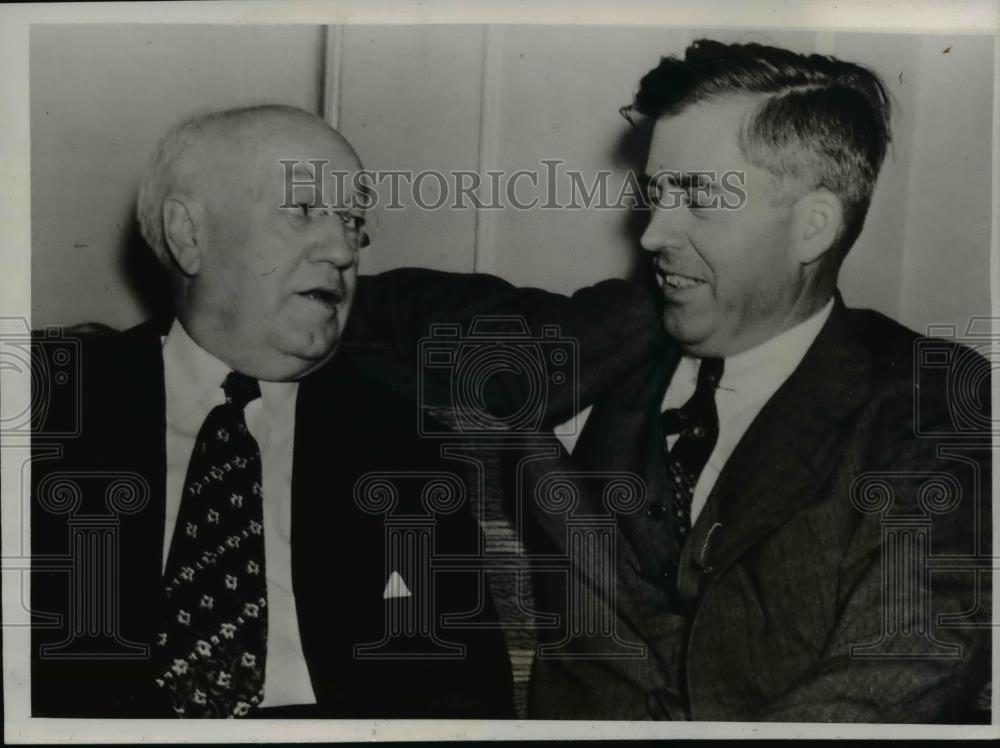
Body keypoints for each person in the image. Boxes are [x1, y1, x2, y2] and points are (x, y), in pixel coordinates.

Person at [523, 39, 992, 722]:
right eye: (657, 195)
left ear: (813, 228)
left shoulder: (925, 397)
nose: (653, 234)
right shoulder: (611, 351)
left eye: (698, 198)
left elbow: (906, 658)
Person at [29, 105, 528, 718]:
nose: (343, 248)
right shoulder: (50, 411)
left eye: (353, 220)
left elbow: (466, 701)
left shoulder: (402, 445)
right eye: (303, 209)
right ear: (189, 234)